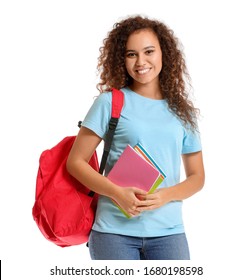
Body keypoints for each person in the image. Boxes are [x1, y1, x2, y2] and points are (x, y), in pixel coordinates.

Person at [66, 15, 205, 260]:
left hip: (169, 233)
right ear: (122, 59)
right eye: (131, 54)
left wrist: (165, 196)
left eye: (149, 51)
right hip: (113, 233)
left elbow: (197, 177)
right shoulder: (110, 102)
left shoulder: (183, 112)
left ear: (164, 53)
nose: (141, 61)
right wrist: (117, 193)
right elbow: (75, 162)